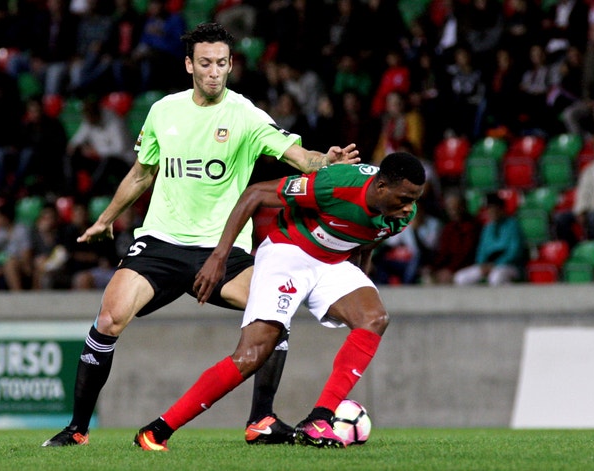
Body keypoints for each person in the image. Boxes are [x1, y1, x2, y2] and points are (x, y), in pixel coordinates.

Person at [41, 22, 360, 447]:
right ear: (190, 64)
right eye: (206, 63)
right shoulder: (164, 111)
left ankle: (261, 420)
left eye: (223, 64)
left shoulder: (246, 115)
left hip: (223, 249)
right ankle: (77, 430)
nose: (215, 72)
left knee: (274, 318)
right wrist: (106, 218)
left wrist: (326, 161)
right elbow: (142, 173)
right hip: (161, 242)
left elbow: (300, 157)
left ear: (231, 66)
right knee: (107, 320)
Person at [133, 152, 426, 451]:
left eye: (414, 199)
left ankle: (319, 420)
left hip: (332, 263)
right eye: (403, 198)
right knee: (252, 354)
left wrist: (360, 277)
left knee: (373, 317)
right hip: (288, 253)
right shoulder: (334, 184)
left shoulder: (401, 214)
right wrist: (219, 256)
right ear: (380, 187)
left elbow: (367, 237)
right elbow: (255, 193)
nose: (408, 208)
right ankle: (157, 431)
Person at [453, 193, 525, 286]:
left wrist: (496, 264)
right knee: (460, 278)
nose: (491, 212)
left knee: (496, 277)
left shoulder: (512, 225)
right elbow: (481, 251)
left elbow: (514, 252)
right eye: (489, 209)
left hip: (510, 265)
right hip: (488, 265)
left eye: (493, 209)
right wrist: (482, 265)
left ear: (501, 209)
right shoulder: (488, 228)